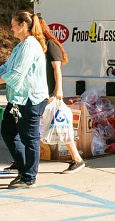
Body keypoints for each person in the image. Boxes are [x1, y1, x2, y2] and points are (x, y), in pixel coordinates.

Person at [0, 12, 49, 189]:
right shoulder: (20, 46)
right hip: (17, 99)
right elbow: (7, 66)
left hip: (30, 99)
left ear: (22, 25)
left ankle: (29, 177)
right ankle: (22, 168)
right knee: (8, 131)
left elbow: (16, 74)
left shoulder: (30, 46)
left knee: (30, 138)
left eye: (13, 24)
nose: (11, 28)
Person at [39, 19, 85, 173]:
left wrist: (58, 90)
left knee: (60, 126)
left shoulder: (50, 45)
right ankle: (76, 158)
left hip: (50, 93)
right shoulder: (38, 45)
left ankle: (77, 159)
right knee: (53, 126)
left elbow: (56, 69)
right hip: (41, 92)